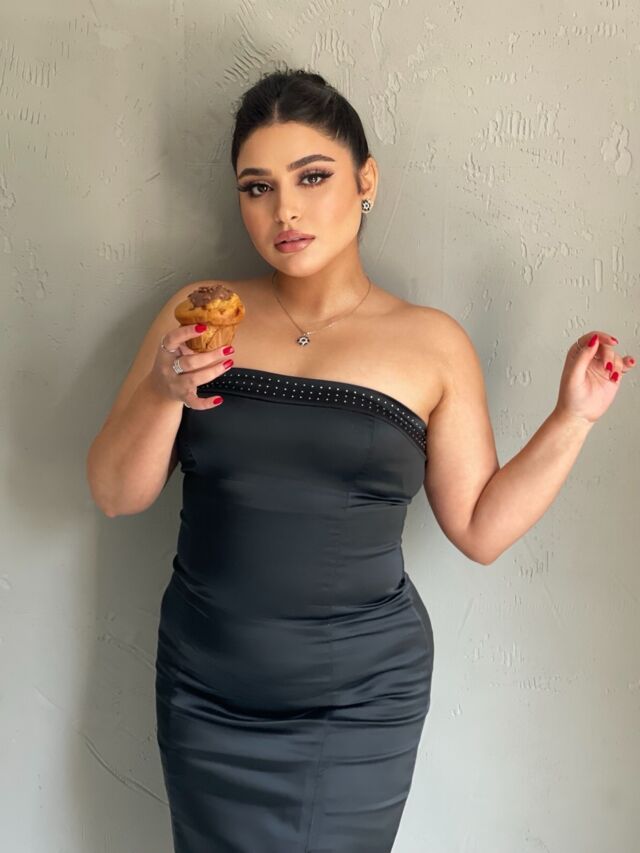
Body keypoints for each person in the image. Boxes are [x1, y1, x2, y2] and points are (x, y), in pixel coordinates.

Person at [86, 68, 635, 853]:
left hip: (359, 703)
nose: (285, 210)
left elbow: (479, 528)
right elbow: (114, 492)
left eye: (312, 176)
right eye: (258, 187)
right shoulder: (197, 315)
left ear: (366, 179)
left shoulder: (431, 343)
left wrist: (572, 418)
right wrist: (161, 389)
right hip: (207, 689)